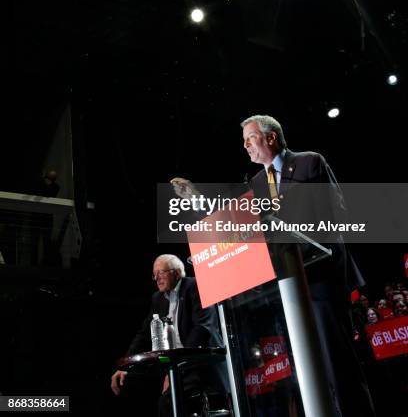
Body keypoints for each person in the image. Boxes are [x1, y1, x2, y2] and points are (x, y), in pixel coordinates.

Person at [172, 114, 375, 416]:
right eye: (243, 142)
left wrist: (300, 234)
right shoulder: (254, 182)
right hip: (284, 288)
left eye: (250, 139)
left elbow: (337, 213)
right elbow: (257, 228)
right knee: (305, 370)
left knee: (337, 363)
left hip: (320, 278)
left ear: (271, 137)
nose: (246, 147)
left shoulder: (309, 162)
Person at [111, 253, 227, 416]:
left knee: (167, 405)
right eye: (155, 274)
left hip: (200, 363)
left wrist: (180, 366)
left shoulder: (196, 286)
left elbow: (203, 328)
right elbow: (144, 333)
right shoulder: (158, 299)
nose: (157, 278)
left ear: (177, 273)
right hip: (176, 366)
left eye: (162, 272)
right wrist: (124, 368)